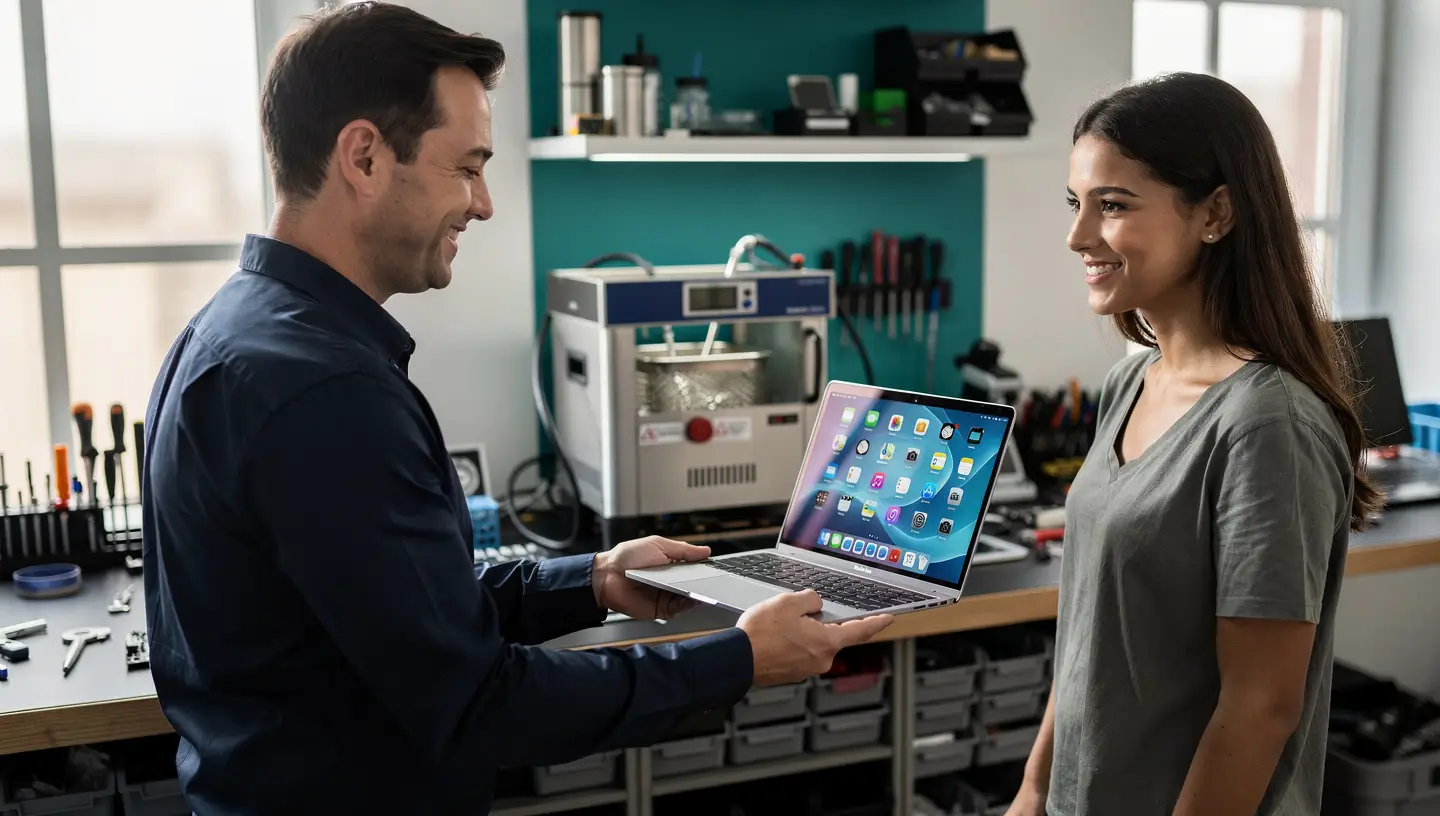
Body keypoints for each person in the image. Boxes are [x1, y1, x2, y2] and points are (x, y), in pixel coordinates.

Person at [140, 4, 892, 813]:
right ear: (364, 157)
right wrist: (737, 661)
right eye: (467, 168)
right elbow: (478, 703)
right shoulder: (325, 392)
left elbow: (401, 614)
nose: (484, 203)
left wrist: (594, 579)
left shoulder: (229, 332)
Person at [1007, 73, 1382, 816]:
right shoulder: (1130, 383)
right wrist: (1034, 790)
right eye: (1077, 204)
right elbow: (1087, 640)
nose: (1079, 236)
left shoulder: (1267, 424)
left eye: (1114, 205)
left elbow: (1260, 707)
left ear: (1215, 214)